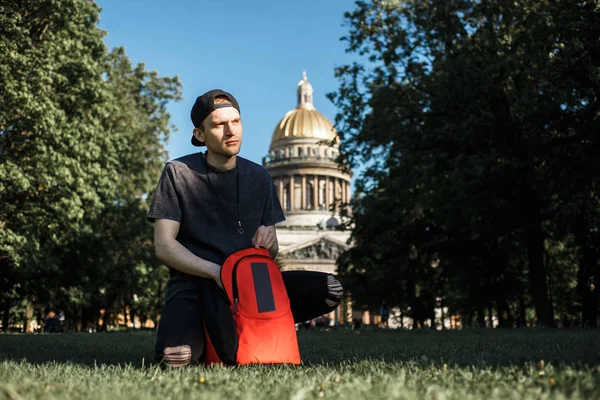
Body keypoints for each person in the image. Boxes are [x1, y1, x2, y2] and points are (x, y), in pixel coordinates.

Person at [147, 89, 344, 367]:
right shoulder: (178, 173)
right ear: (200, 134)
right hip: (197, 285)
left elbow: (272, 249)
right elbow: (164, 246)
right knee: (177, 356)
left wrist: (268, 244)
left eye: (235, 122)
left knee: (329, 288)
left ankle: (240, 321)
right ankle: (204, 324)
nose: (230, 131)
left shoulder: (260, 176)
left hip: (249, 285)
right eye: (219, 125)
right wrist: (216, 272)